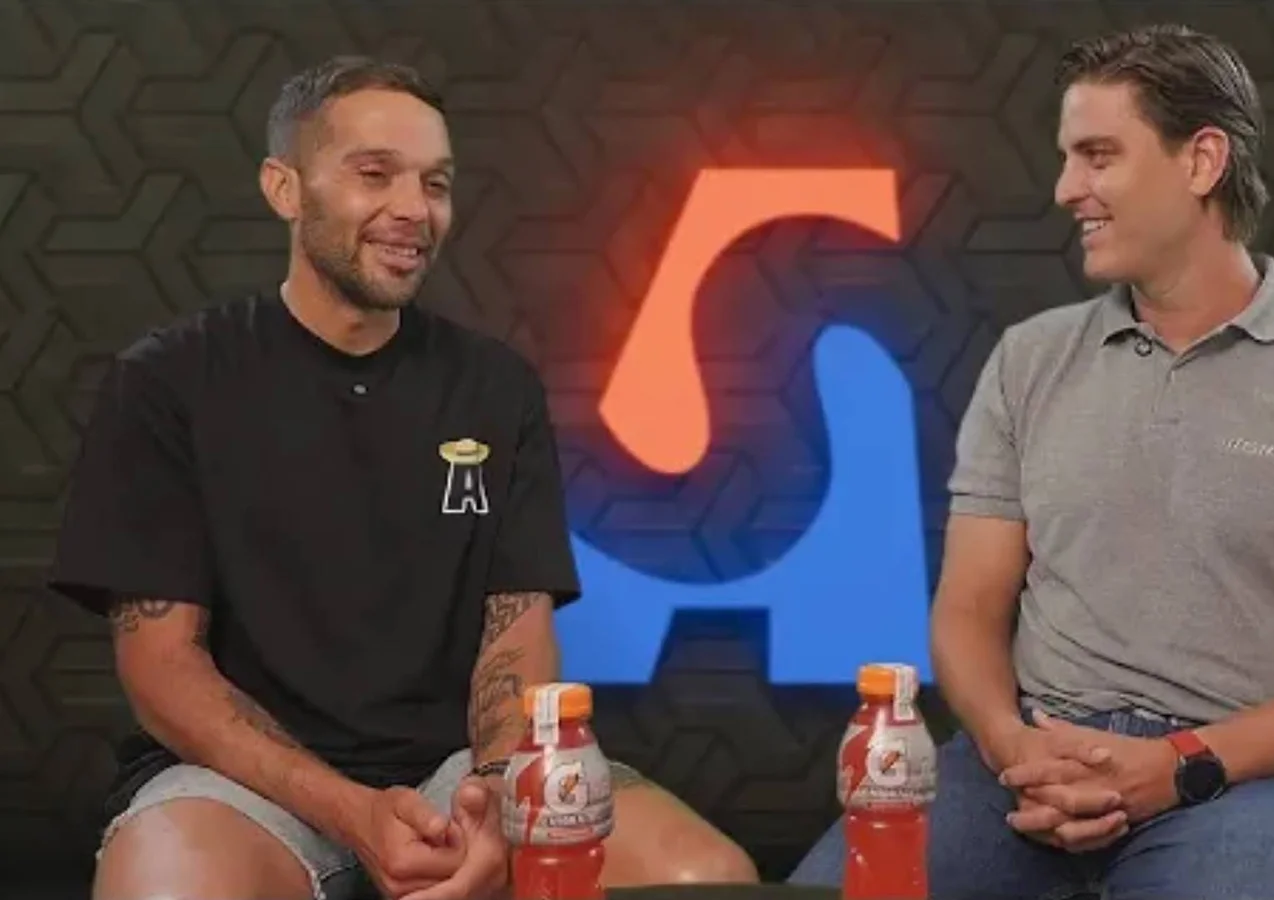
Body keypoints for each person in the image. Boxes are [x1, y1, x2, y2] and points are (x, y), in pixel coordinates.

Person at [48, 55, 758, 900]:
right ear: (284, 188)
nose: (415, 209)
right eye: (375, 174)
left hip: (456, 774)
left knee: (704, 877)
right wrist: (350, 809)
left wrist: (495, 797)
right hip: (243, 784)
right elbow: (162, 667)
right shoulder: (170, 380)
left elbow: (517, 634)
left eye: (436, 183)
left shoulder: (494, 387)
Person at [789, 22, 1274, 900]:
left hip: (1257, 780)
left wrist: (1179, 763)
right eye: (1068, 158)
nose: (1067, 189)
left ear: (1202, 161)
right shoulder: (1030, 360)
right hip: (1030, 762)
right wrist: (1012, 746)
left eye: (1098, 156)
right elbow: (967, 610)